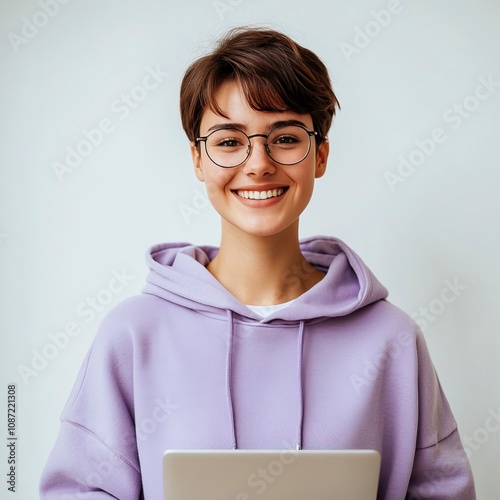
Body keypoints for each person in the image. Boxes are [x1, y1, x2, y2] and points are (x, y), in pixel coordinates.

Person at [40, 27, 476, 499]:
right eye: (229, 141)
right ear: (198, 160)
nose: (258, 164)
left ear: (320, 155)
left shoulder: (393, 340)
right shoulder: (132, 333)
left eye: (285, 138)